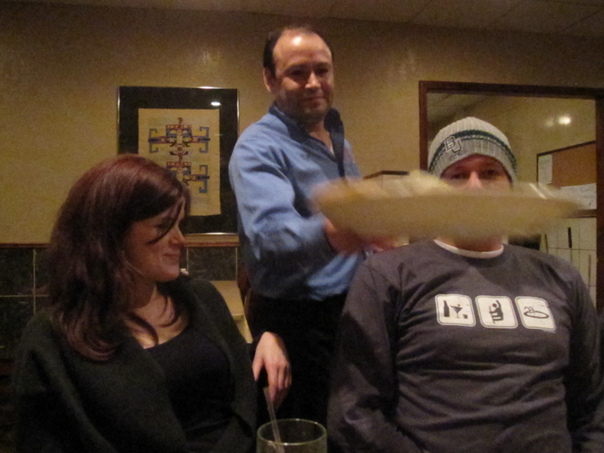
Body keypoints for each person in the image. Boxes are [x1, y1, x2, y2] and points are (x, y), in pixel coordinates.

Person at [328, 117, 604, 452]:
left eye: (490, 173)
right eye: (457, 176)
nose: (475, 187)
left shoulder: (562, 277)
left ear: (510, 184)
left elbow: (592, 408)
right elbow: (353, 412)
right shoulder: (387, 275)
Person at [13, 154, 290, 453]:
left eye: (179, 225)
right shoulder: (52, 337)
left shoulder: (200, 297)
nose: (180, 240)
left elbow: (227, 382)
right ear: (110, 234)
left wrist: (264, 343)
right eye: (163, 226)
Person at [228, 25, 383, 425]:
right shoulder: (257, 147)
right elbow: (269, 239)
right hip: (297, 324)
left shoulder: (338, 139)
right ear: (269, 79)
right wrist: (336, 232)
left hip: (350, 311)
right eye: (297, 72)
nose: (313, 82)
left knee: (358, 424)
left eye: (322, 70)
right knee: (313, 432)